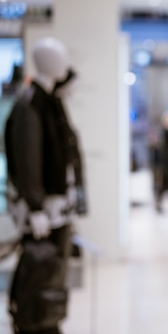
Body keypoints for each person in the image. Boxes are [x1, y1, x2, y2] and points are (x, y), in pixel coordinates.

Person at [5, 37, 87, 334]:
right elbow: (28, 161)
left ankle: (49, 321)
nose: (65, 63)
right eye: (60, 57)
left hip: (58, 210)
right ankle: (35, 322)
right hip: (44, 213)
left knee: (55, 272)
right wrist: (35, 205)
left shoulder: (51, 102)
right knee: (41, 271)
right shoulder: (30, 105)